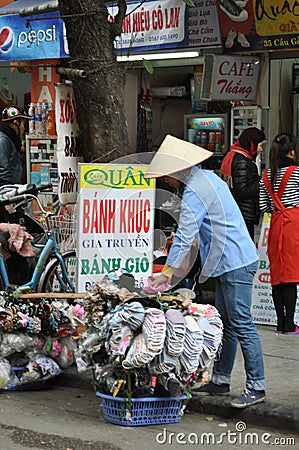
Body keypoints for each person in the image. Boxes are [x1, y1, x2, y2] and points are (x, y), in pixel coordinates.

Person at [145, 134, 266, 409]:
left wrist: (166, 273)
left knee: (242, 324)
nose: (166, 181)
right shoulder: (207, 179)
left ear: (178, 170)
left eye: (167, 176)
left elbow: (187, 235)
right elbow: (191, 234)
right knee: (226, 323)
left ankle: (256, 385)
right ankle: (221, 379)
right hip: (231, 259)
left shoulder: (195, 191)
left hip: (235, 261)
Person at [259, 132, 299, 335]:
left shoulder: (266, 175)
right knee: (291, 276)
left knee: (277, 275)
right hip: (293, 226)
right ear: (292, 151)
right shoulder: (297, 173)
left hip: (275, 225)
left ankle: (280, 323)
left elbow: (263, 206)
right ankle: (291, 324)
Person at [220, 127, 266, 241]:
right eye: (260, 145)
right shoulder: (241, 161)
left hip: (236, 213)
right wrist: (263, 181)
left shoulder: (233, 155)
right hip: (243, 215)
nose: (260, 150)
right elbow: (243, 190)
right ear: (251, 144)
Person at [0, 104, 29, 186]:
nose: (24, 128)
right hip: (7, 189)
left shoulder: (9, 138)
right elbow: (2, 168)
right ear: (15, 123)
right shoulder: (3, 140)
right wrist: (7, 189)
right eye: (23, 124)